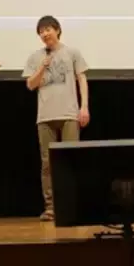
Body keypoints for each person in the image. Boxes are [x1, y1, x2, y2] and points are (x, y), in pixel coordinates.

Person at [22, 16, 90, 222]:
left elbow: (82, 79)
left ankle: (73, 205)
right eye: (41, 31)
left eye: (48, 29)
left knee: (71, 160)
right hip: (45, 116)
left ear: (58, 30)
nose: (45, 34)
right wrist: (42, 67)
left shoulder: (72, 52)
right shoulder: (35, 57)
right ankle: (51, 207)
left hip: (69, 113)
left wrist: (84, 107)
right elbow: (30, 85)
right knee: (47, 163)